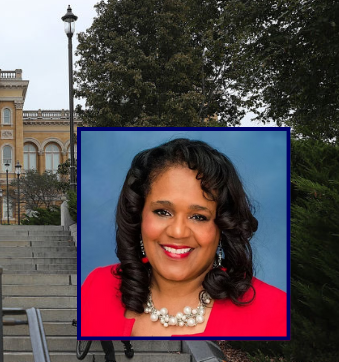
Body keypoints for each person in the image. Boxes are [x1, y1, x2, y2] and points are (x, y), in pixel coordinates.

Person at [80, 138, 287, 337]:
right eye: (162, 212)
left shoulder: (274, 311)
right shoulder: (97, 286)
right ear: (138, 216)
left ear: (222, 227)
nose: (178, 232)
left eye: (199, 217)